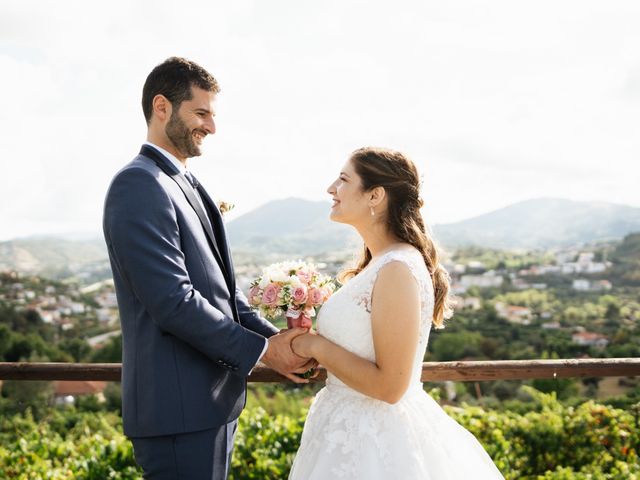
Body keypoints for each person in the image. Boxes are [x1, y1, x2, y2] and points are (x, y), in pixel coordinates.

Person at [102, 57, 314, 480]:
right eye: (201, 113)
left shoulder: (184, 182)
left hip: (209, 407)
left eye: (212, 115)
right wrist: (263, 352)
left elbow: (223, 293)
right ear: (162, 107)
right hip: (177, 415)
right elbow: (174, 301)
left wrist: (278, 341)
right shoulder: (139, 185)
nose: (211, 127)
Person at [288, 147, 505, 479]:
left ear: (375, 195)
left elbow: (390, 387)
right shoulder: (380, 264)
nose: (331, 188)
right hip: (344, 430)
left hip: (376, 442)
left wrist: (314, 346)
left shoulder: (397, 268)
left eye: (344, 179)